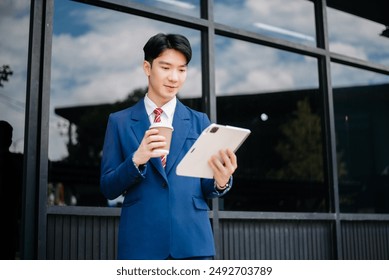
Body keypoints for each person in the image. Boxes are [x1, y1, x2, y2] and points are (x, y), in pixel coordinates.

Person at [100, 33, 237, 260]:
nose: (174, 77)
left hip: (192, 244)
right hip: (141, 245)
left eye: (181, 70)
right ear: (147, 67)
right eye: (166, 67)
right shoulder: (119, 122)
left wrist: (221, 181)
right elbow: (108, 187)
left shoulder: (200, 121)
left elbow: (207, 186)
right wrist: (136, 159)